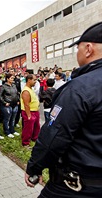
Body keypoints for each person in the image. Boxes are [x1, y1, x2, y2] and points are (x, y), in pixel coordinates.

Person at [25, 22, 102, 197]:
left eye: (78, 49)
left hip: (78, 185)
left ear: (88, 49)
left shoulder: (80, 88)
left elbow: (55, 135)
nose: (77, 54)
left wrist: (34, 167)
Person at [20, 74, 40, 147]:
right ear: (29, 80)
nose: (35, 82)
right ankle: (25, 143)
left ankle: (34, 138)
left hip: (35, 111)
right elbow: (26, 104)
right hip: (29, 112)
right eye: (34, 80)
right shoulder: (26, 91)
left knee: (36, 127)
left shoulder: (31, 89)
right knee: (28, 129)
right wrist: (29, 115)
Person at [0, 73, 20, 138]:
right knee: (7, 118)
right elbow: (0, 96)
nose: (12, 79)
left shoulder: (14, 85)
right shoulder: (3, 86)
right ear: (7, 79)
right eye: (11, 78)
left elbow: (17, 93)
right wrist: (4, 102)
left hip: (15, 104)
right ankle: (7, 131)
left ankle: (12, 130)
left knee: (13, 118)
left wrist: (18, 100)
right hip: (7, 105)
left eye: (13, 78)